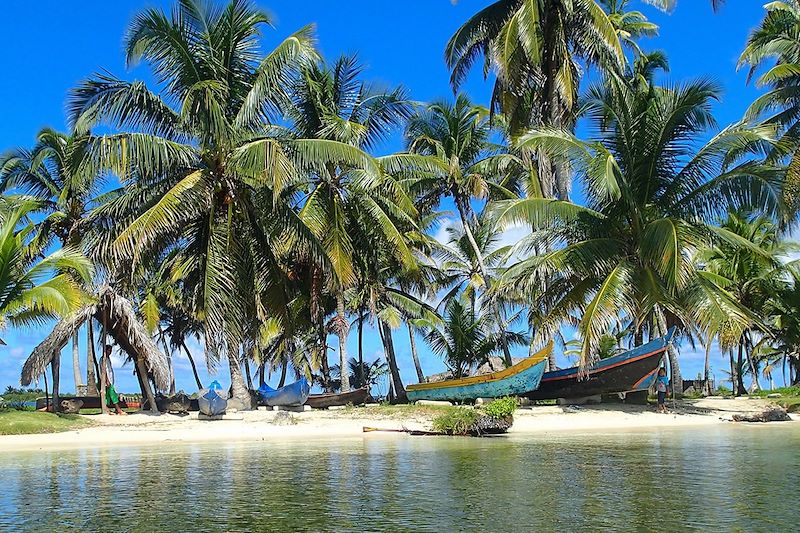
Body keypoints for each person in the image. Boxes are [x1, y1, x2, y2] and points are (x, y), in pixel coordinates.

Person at [102, 345, 127, 416]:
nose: (109, 352)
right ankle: (118, 410)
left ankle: (110, 409)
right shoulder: (103, 359)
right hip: (107, 381)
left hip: (110, 380)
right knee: (113, 395)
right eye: (108, 350)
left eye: (110, 351)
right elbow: (103, 371)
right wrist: (106, 380)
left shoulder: (108, 359)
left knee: (109, 395)